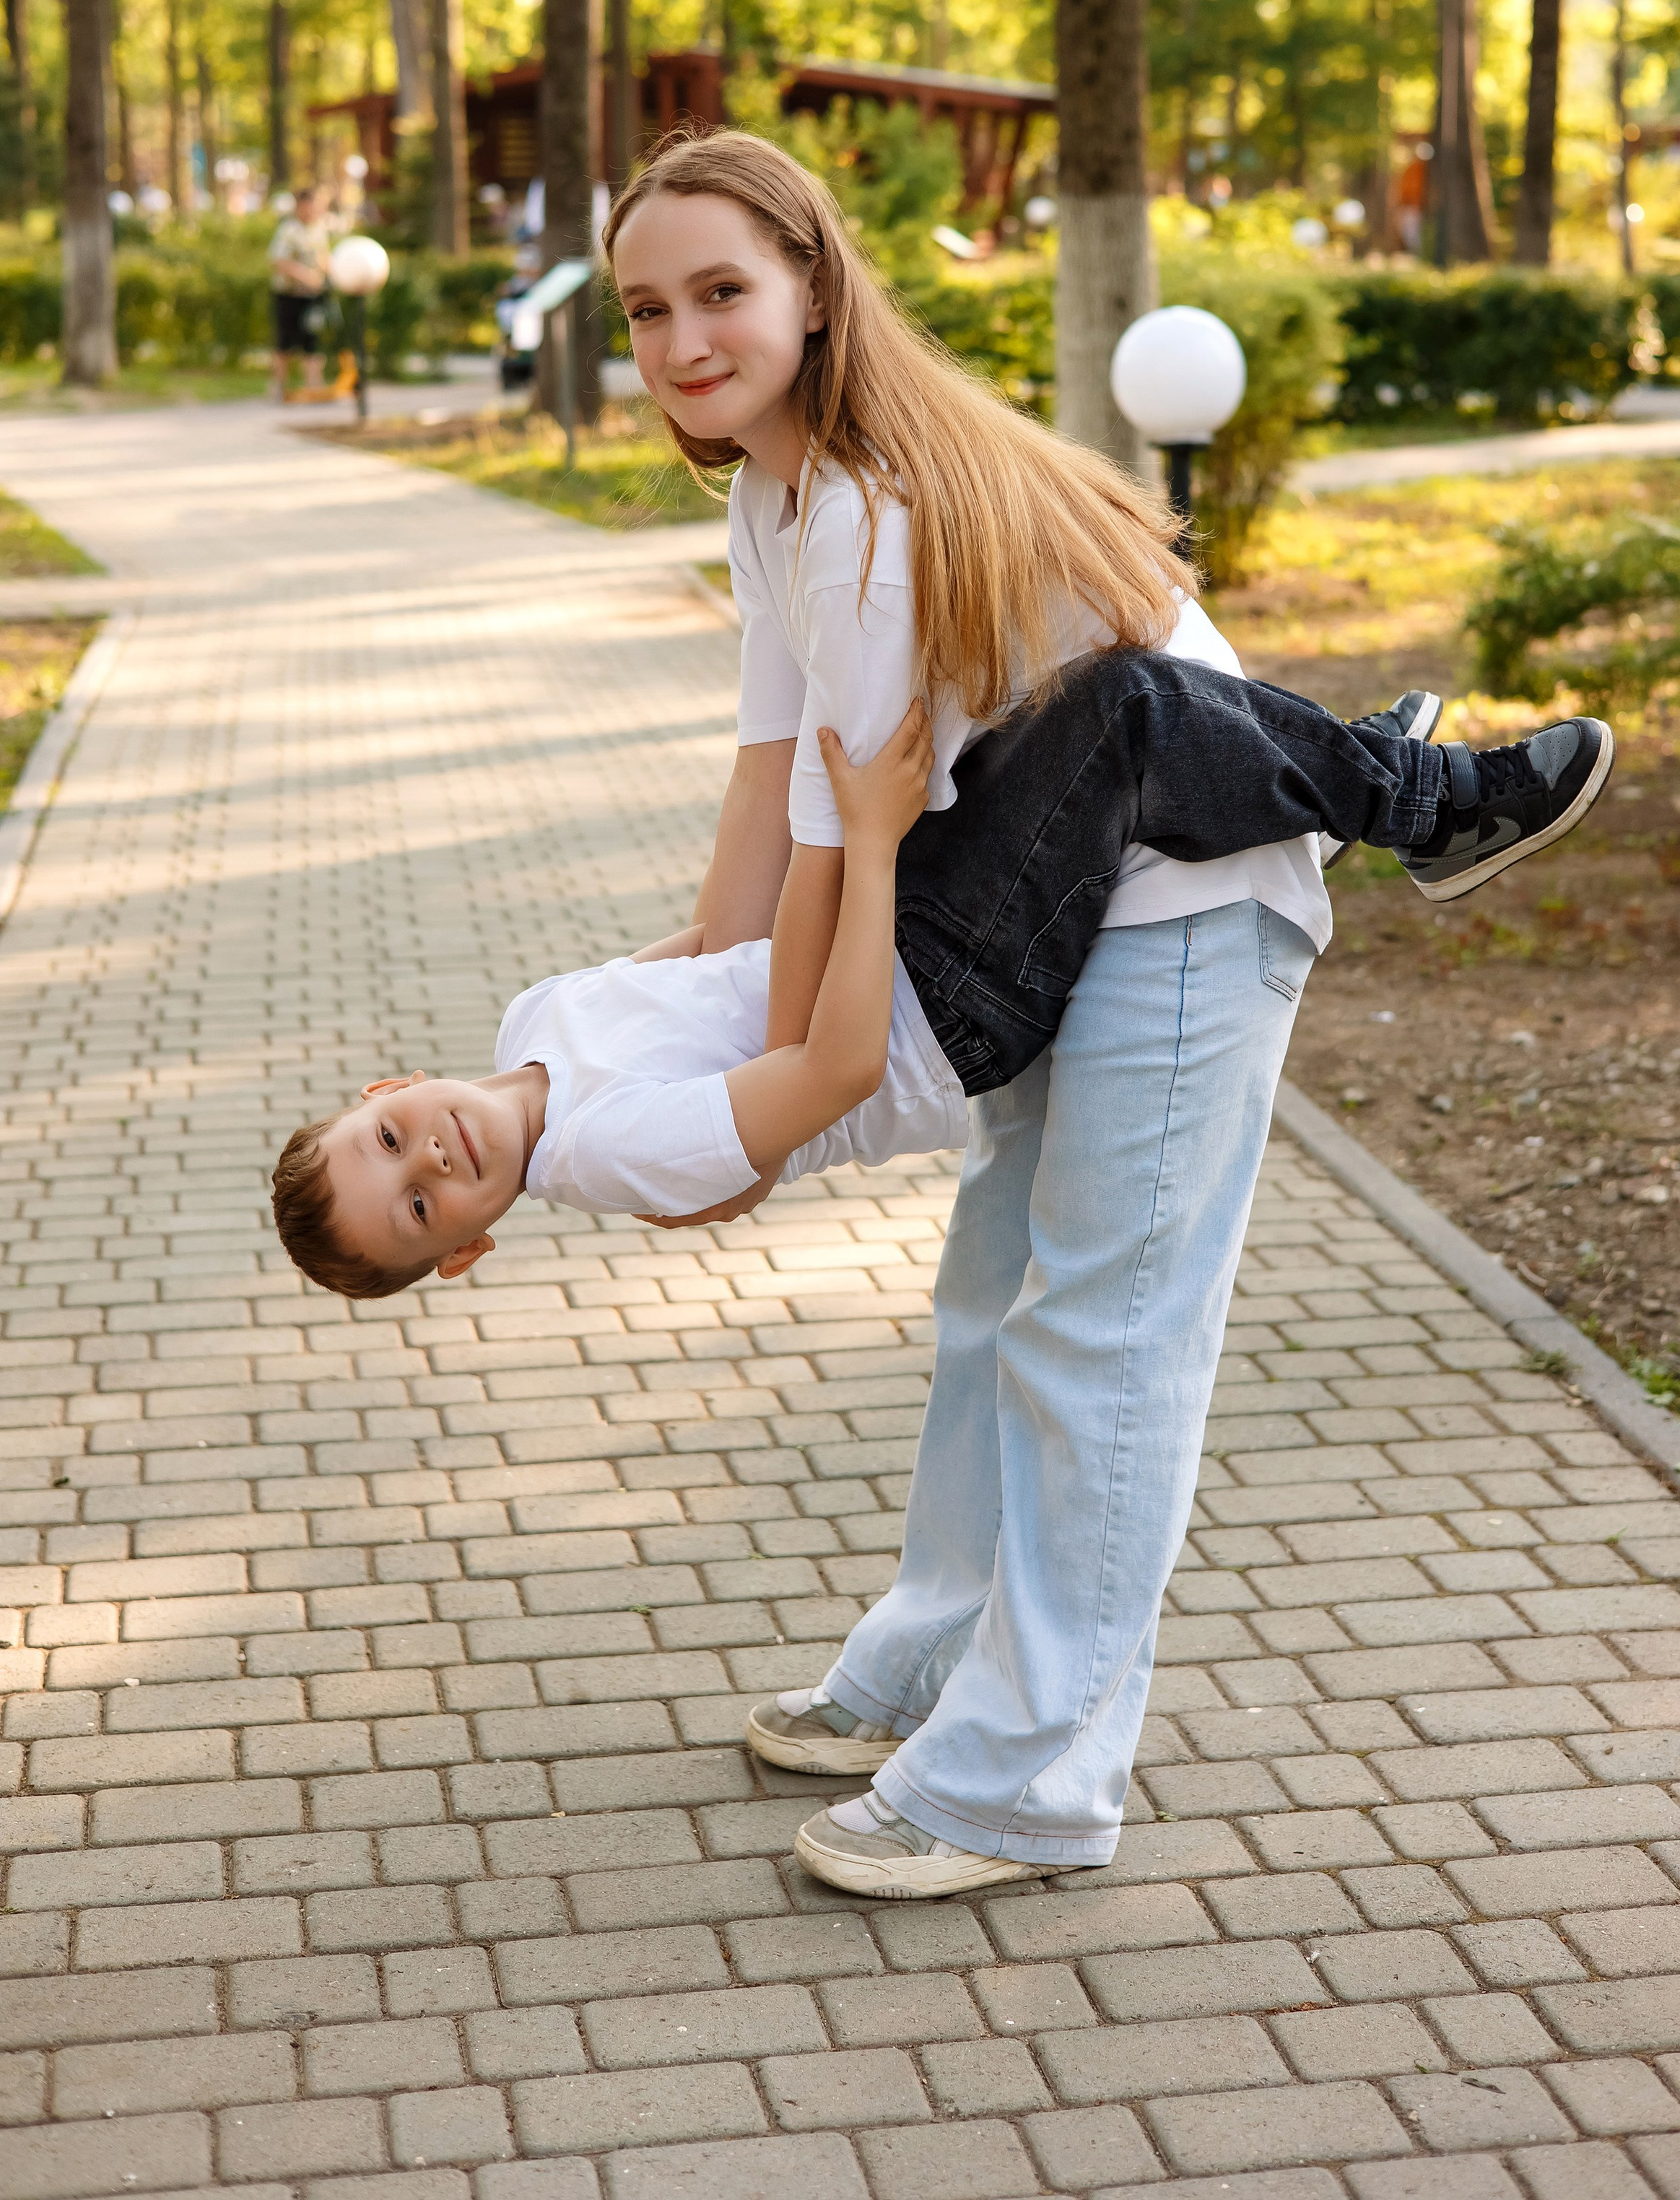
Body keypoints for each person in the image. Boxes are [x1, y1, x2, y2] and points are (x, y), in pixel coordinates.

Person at [596, 127, 1617, 1900]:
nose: (680, 340)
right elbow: (769, 779)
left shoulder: (863, 514)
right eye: (642, 309)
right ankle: (932, 1665)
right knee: (989, 1310)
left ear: (815, 290)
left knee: (1101, 1334)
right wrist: (695, 995)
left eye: (719, 291)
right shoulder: (776, 499)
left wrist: (759, 1089)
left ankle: (1025, 1777)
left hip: (1183, 894)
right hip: (1049, 894)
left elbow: (839, 848)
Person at [268, 648, 1614, 1300]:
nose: (430, 1159)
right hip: (948, 1007)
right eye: (422, 1209)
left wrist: (823, 806)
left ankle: (1336, 785)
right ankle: (1434, 804)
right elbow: (835, 1067)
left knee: (1029, 703)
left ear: (388, 1086)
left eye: (388, 1141)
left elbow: (720, 954)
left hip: (898, 937)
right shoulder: (611, 1152)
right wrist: (861, 840)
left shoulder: (535, 1021)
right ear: (467, 1251)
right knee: (1120, 715)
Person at [268, 186, 332, 399]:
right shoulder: (289, 230)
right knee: (285, 341)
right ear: (301, 206)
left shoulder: (319, 229)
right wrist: (306, 276)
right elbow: (279, 261)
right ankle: (278, 386)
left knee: (311, 341)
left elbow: (323, 257)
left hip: (313, 295)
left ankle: (314, 386)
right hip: (289, 294)